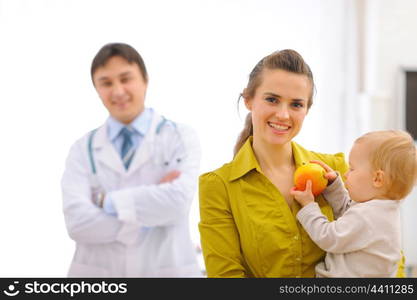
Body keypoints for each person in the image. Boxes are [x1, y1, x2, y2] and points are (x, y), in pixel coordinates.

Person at [198, 49, 405, 277]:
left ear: (307, 109)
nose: (284, 115)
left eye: (296, 104)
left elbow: (387, 249)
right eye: (272, 99)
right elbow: (226, 276)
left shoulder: (337, 171)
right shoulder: (218, 186)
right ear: (248, 100)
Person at [61, 43, 202, 277]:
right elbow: (77, 223)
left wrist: (105, 201)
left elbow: (177, 203)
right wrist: (149, 209)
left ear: (145, 80)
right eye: (106, 83)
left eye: (125, 79)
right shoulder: (81, 150)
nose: (117, 91)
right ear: (96, 89)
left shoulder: (180, 136)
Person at [290, 130, 417, 277]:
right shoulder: (381, 209)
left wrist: (308, 206)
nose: (345, 174)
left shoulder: (367, 216)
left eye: (352, 169)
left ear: (377, 179)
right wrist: (334, 186)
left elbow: (328, 237)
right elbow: (348, 212)